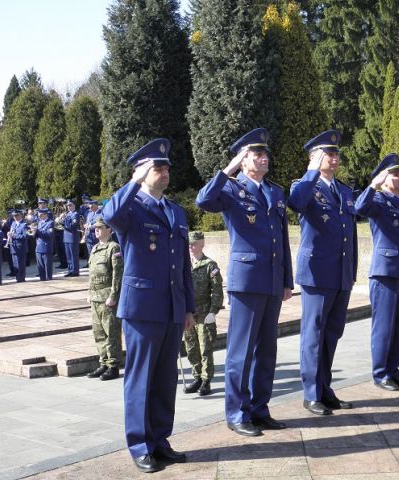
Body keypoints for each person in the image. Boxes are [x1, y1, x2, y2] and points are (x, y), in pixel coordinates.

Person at [102, 138, 194, 473]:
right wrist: (134, 181)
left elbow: (183, 264)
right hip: (141, 308)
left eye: (167, 167)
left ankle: (160, 440)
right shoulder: (130, 208)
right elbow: (108, 214)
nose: (165, 172)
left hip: (172, 307)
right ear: (142, 171)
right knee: (140, 378)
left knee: (166, 379)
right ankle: (140, 445)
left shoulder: (175, 211)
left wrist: (188, 307)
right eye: (158, 167)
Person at [196, 128, 293, 437]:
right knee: (241, 351)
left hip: (273, 280)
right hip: (248, 281)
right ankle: (237, 413)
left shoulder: (275, 192)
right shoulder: (231, 189)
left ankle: (260, 409)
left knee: (266, 350)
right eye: (256, 154)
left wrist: (287, 280)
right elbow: (203, 200)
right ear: (243, 159)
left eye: (265, 153)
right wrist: (228, 169)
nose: (264, 158)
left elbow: (282, 239)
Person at [287, 129, 357, 416]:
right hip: (317, 274)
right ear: (314, 157)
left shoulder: (344, 190)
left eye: (336, 154)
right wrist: (311, 171)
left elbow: (350, 235)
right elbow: (296, 203)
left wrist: (351, 270)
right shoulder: (305, 186)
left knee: (332, 333)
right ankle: (311, 394)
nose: (334, 158)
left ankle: (325, 389)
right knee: (313, 335)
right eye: (328, 154)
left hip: (341, 274)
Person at [354, 154, 399, 391]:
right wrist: (374, 185)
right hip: (385, 273)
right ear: (383, 178)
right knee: (384, 326)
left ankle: (394, 368)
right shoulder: (378, 200)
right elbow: (359, 208)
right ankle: (380, 373)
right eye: (395, 174)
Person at [183, 230, 224, 397]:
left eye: (194, 244)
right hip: (189, 315)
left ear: (202, 244)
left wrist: (213, 311)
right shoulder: (185, 265)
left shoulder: (210, 265)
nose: (191, 247)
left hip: (204, 314)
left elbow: (217, 290)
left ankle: (206, 380)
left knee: (205, 349)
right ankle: (197, 377)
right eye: (189, 244)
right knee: (191, 347)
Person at [87, 217, 123, 381]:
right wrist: (89, 293)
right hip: (95, 297)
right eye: (95, 228)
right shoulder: (95, 248)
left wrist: (114, 295)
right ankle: (103, 362)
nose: (96, 230)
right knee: (99, 332)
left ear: (109, 230)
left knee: (111, 333)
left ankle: (113, 366)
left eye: (100, 228)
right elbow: (92, 274)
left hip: (107, 297)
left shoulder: (113, 248)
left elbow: (117, 274)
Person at [33, 208, 54, 281]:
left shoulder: (50, 223)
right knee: (40, 267)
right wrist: (33, 232)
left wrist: (37, 231)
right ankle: (42, 279)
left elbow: (49, 235)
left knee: (47, 266)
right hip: (38, 247)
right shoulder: (39, 222)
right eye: (39, 215)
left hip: (46, 247)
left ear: (45, 214)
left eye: (41, 215)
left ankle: (48, 279)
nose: (39, 216)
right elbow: (35, 235)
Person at [8, 210, 28, 282]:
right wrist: (9, 235)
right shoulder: (13, 223)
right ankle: (17, 278)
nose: (15, 217)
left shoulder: (24, 225)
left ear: (20, 215)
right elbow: (11, 233)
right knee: (15, 264)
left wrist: (14, 235)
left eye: (16, 215)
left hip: (20, 247)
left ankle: (21, 279)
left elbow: (25, 236)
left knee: (20, 264)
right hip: (13, 247)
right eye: (14, 216)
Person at [62, 200, 81, 277]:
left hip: (72, 237)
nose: (68, 207)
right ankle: (70, 270)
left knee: (73, 255)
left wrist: (63, 222)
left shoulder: (75, 214)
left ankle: (75, 271)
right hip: (66, 237)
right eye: (68, 206)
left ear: (74, 206)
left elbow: (72, 226)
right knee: (68, 256)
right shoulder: (67, 214)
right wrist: (62, 220)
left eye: (70, 205)